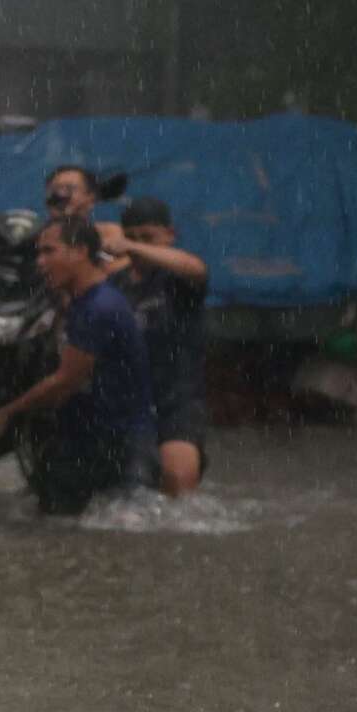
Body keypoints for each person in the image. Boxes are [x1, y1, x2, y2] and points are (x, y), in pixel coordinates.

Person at [0, 215, 159, 515]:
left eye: (49, 251)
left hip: (115, 443)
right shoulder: (82, 300)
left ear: (79, 252)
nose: (40, 262)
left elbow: (64, 382)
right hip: (89, 436)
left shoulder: (98, 308)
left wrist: (6, 413)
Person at [109, 196, 211, 496]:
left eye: (149, 238)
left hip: (176, 399)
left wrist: (132, 247)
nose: (140, 245)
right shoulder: (116, 283)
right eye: (132, 237)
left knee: (178, 483)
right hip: (128, 400)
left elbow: (196, 267)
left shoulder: (179, 278)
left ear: (170, 235)